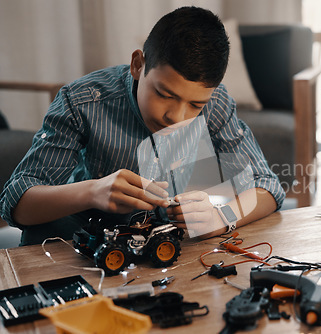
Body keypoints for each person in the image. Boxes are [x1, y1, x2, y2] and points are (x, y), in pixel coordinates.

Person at [0, 6, 285, 246]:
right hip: (86, 235)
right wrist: (92, 192)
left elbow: (267, 185)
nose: (177, 116)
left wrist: (221, 217)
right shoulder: (82, 101)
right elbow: (15, 204)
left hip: (167, 244)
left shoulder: (216, 102)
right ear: (138, 64)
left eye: (195, 105)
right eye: (164, 94)